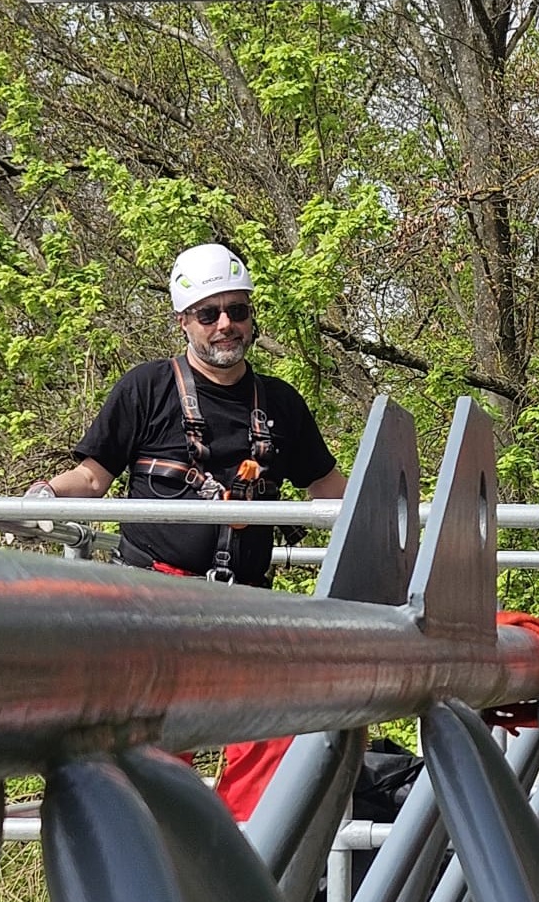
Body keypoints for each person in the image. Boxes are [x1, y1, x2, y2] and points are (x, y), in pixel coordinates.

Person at [28, 243, 347, 819]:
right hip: (158, 602)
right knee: (158, 756)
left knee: (276, 730)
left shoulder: (279, 404)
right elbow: (92, 476)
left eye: (237, 310)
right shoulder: (147, 390)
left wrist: (399, 531)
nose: (226, 324)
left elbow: (330, 487)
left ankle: (246, 860)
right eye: (209, 313)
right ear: (184, 322)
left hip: (244, 607)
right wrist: (43, 496)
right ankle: (168, 873)